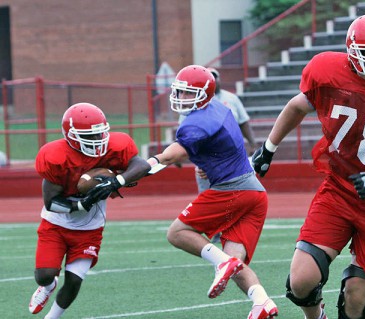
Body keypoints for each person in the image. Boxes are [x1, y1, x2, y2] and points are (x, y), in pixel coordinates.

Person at [252, 14, 365, 319]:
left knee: (355, 299)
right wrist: (268, 147)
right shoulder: (327, 71)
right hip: (339, 188)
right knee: (300, 282)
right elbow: (297, 106)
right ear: (353, 53)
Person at [148, 64, 278, 319]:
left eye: (187, 93)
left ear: (203, 93)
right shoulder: (220, 107)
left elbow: (174, 154)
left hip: (233, 189)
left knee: (177, 233)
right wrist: (207, 162)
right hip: (254, 193)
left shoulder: (195, 122)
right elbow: (222, 144)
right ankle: (262, 302)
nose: (181, 97)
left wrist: (150, 163)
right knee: (234, 263)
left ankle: (221, 263)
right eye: (180, 92)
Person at [29, 102, 151, 318]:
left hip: (90, 227)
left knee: (75, 280)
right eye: (90, 136)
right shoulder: (55, 156)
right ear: (71, 136)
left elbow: (142, 166)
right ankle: (48, 286)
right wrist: (81, 204)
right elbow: (51, 202)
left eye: (100, 134)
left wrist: (117, 181)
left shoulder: (116, 145)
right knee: (44, 275)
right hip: (56, 224)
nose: (97, 140)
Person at [180, 67, 257, 194]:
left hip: (232, 157)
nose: (213, 80)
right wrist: (180, 154)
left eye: (214, 77)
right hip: (206, 158)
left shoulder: (231, 98)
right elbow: (185, 131)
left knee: (237, 193)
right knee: (207, 195)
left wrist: (253, 143)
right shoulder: (193, 100)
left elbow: (243, 122)